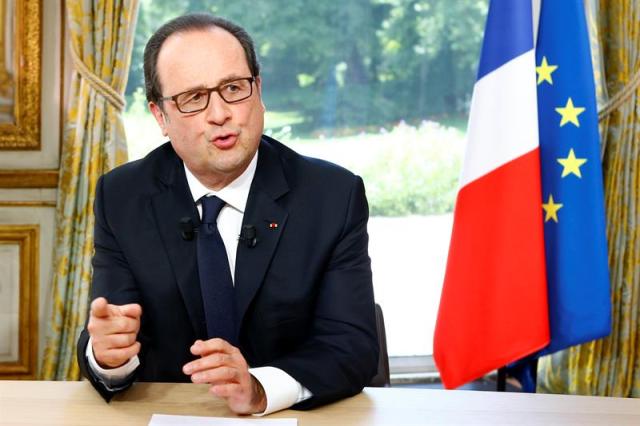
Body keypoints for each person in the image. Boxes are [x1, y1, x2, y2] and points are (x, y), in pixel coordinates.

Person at [76, 13, 378, 415]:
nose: (219, 114)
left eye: (234, 88)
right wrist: (109, 356)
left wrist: (260, 388)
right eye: (194, 98)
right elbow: (113, 329)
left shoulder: (332, 196)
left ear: (259, 91)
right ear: (160, 116)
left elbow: (351, 346)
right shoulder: (123, 196)